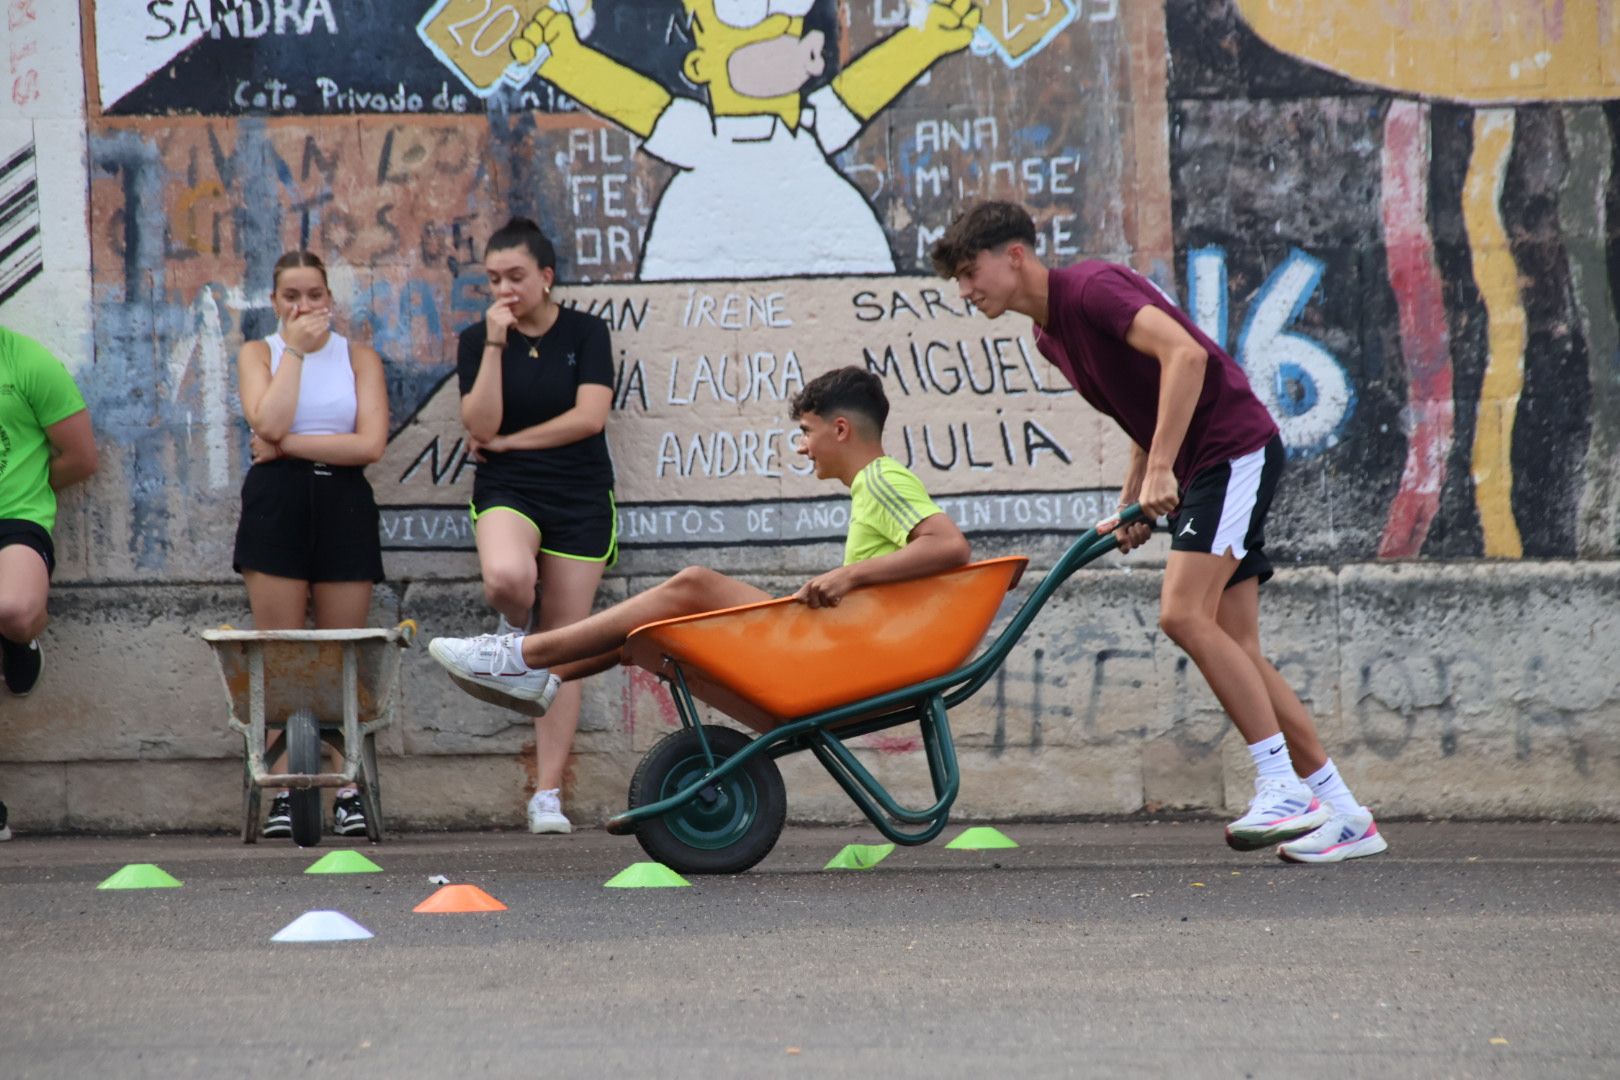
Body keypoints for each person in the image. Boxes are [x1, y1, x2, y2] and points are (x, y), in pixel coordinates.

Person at [930, 201, 1386, 864]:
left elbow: (1185, 358)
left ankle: (1281, 785)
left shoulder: (1091, 290)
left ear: (1016, 256)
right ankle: (1345, 814)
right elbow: (1143, 411)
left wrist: (1166, 468)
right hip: (1204, 467)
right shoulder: (1050, 338)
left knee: (1181, 613)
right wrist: (1133, 502)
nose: (967, 291)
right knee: (1239, 649)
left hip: (1230, 452)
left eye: (972, 273)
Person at [428, 366, 971, 710]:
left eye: (806, 432)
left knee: (692, 585)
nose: (803, 447)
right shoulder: (870, 486)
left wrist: (848, 574)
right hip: (848, 641)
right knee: (656, 630)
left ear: (841, 429)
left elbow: (949, 546)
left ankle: (523, 653)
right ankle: (545, 676)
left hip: (852, 651)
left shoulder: (880, 477)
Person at [454, 217, 618, 835]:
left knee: (567, 643)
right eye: (494, 279)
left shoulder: (586, 332)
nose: (505, 289)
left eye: (516, 276)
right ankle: (510, 633)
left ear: (546, 277)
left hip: (578, 492)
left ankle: (546, 794)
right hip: (508, 490)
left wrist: (510, 442)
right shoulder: (477, 340)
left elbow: (589, 417)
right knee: (505, 578)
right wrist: (495, 344)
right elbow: (478, 417)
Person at [234, 251, 388, 840]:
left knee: (342, 655)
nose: (303, 307)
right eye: (290, 296)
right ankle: (281, 791)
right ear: (275, 302)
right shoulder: (260, 354)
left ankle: (347, 789)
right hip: (277, 504)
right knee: (281, 656)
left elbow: (369, 445)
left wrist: (287, 446)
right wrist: (294, 352)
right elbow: (265, 420)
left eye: (314, 296)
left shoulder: (359, 358)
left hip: (344, 503)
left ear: (331, 299)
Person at [0, 325, 98, 840]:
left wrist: (29, 488)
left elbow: (81, 457)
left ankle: (20, 639)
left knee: (13, 609)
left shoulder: (26, 361)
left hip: (14, 517)